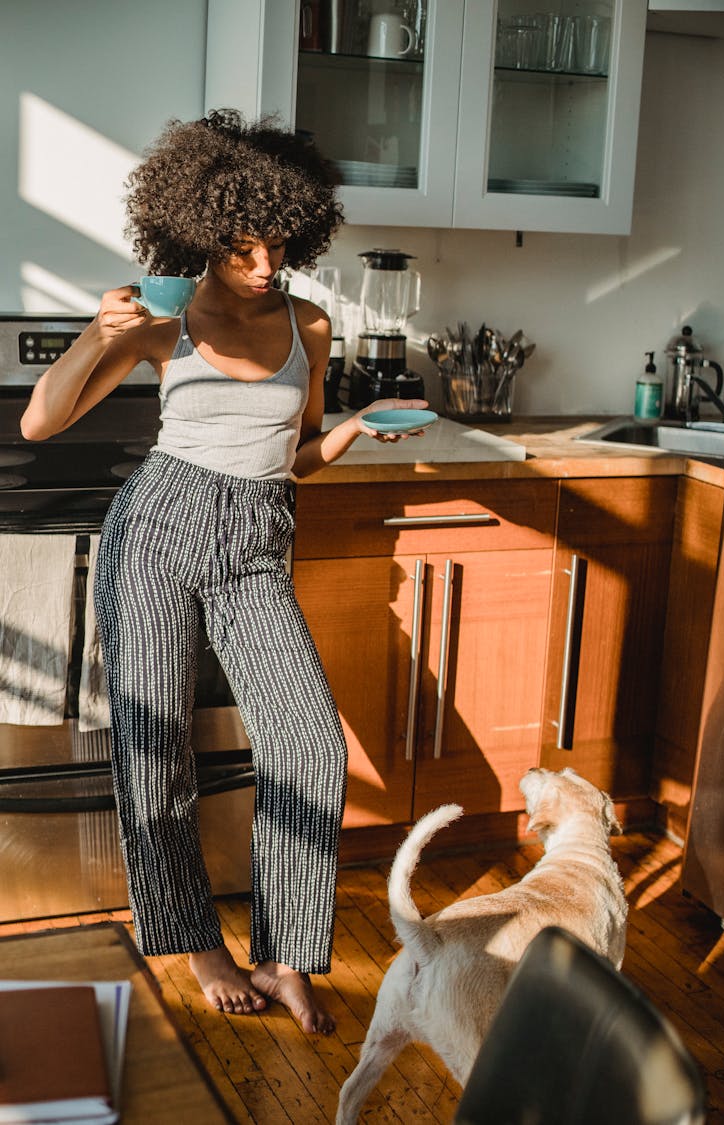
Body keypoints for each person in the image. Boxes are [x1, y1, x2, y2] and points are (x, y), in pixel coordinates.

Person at [20, 109, 428, 1034]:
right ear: (202, 233)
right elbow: (40, 423)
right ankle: (197, 944)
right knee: (159, 751)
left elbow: (293, 458)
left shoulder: (309, 322)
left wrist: (357, 430)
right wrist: (95, 333)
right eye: (244, 246)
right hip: (159, 527)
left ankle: (285, 954)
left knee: (308, 743)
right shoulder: (166, 316)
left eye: (278, 244)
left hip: (256, 541)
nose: (264, 264)